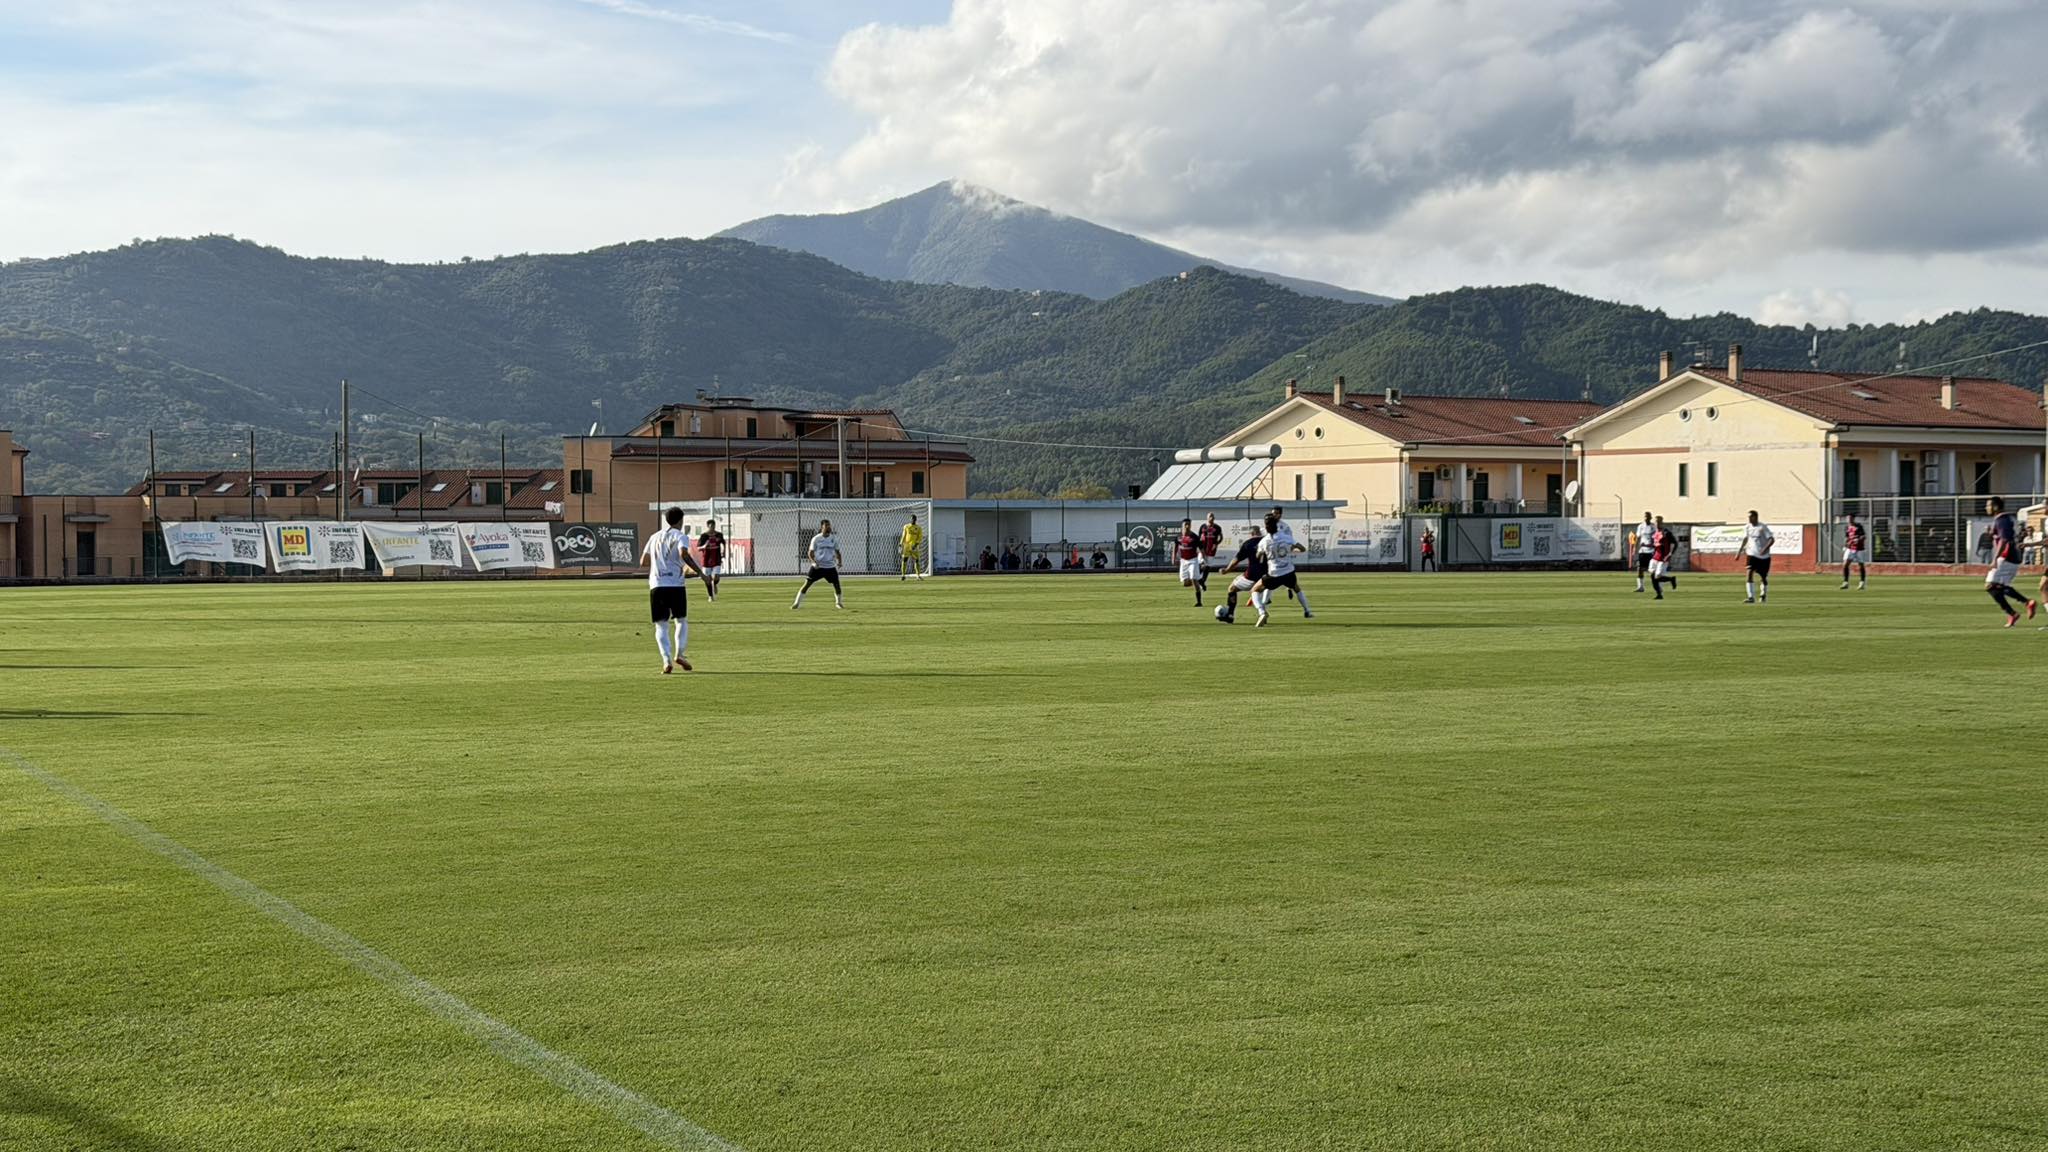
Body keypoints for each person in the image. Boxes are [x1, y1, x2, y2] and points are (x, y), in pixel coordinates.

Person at [642, 506, 707, 674]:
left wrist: (660, 564)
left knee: (661, 626)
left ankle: (666, 660)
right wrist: (700, 572)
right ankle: (680, 654)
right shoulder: (681, 536)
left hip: (657, 584)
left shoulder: (654, 537)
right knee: (681, 621)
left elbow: (644, 561)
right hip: (676, 585)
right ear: (680, 520)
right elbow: (684, 554)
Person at [1250, 512, 1313, 627]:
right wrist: (1291, 550)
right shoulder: (1286, 537)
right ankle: (1307, 611)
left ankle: (1262, 612)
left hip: (1274, 574)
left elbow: (1258, 556)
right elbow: (1302, 548)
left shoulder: (1264, 541)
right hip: (1288, 571)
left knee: (1254, 590)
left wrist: (1263, 554)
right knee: (1297, 588)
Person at [1983, 497, 2036, 626]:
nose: (1986, 508)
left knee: (1990, 586)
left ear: (1995, 507)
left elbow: (2004, 540)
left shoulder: (2002, 520)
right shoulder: (2006, 519)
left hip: (2007, 556)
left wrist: (1995, 558)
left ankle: (2017, 609)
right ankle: (2020, 608)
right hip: (2013, 556)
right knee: (1999, 587)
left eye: (1988, 505)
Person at [1213, 524, 1265, 624]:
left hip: (1252, 576)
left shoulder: (1248, 544)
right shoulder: (1267, 541)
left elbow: (1236, 560)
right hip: (1267, 576)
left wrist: (1226, 570)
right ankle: (1263, 614)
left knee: (1232, 588)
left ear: (1252, 533)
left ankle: (1230, 615)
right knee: (1261, 595)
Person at [792, 519, 844, 610]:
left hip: (830, 567)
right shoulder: (816, 539)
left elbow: (837, 552)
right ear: (822, 527)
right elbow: (810, 552)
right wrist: (813, 562)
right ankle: (796, 603)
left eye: (829, 526)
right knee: (807, 584)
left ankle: (838, 603)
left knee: (837, 585)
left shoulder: (834, 539)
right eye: (826, 526)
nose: (829, 527)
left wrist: (839, 562)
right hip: (818, 567)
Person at [1740, 511, 1775, 604]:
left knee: (1763, 577)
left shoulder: (1762, 527)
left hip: (1764, 557)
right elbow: (1745, 539)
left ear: (1755, 517)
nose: (1749, 519)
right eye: (1748, 517)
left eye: (1751, 517)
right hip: (1751, 554)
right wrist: (1739, 551)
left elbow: (1772, 540)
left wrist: (1764, 549)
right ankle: (1751, 597)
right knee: (1749, 573)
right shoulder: (1747, 527)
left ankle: (1763, 594)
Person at [1174, 518, 1205, 606]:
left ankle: (1199, 602)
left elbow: (1201, 549)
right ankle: (1200, 580)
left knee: (1193, 579)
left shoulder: (1194, 537)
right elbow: (1175, 547)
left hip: (1193, 560)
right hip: (1183, 560)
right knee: (1185, 583)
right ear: (1182, 526)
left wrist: (1203, 560)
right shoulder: (1179, 537)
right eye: (1185, 524)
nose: (1187, 526)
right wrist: (1174, 558)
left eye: (1188, 524)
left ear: (1190, 525)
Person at [1647, 515, 1678, 600]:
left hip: (1663, 558)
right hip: (1655, 557)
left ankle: (1671, 579)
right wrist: (1647, 545)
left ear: (1662, 522)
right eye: (1656, 522)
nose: (1657, 524)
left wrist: (1670, 553)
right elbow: (1656, 545)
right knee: (1652, 576)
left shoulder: (1666, 532)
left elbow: (1675, 543)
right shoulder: (1655, 533)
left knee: (1657, 576)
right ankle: (1659, 594)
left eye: (1659, 522)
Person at [695, 517, 726, 601]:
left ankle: (715, 584)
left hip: (717, 558)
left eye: (713, 526)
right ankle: (710, 596)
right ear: (708, 526)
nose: (712, 528)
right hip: (706, 560)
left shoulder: (719, 535)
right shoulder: (704, 536)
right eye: (710, 526)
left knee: (716, 577)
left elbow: (723, 543)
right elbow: (698, 548)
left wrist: (724, 552)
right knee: (707, 579)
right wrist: (704, 546)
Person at [1841, 511, 1869, 591]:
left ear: (1853, 519)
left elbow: (1863, 536)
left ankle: (1862, 582)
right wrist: (1846, 544)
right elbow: (1847, 537)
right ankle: (1845, 582)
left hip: (1859, 549)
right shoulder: (1847, 527)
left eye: (1850, 518)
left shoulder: (1859, 526)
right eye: (1848, 518)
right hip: (1850, 548)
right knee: (1845, 564)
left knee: (1861, 565)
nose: (1849, 520)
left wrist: (1858, 539)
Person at [1196, 513, 1224, 591]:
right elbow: (1199, 538)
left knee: (1208, 566)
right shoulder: (1203, 527)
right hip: (1203, 549)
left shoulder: (1217, 528)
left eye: (1212, 516)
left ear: (1214, 518)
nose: (1211, 518)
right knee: (1201, 565)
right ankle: (1197, 577)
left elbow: (1221, 537)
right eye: (1210, 516)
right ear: (1207, 518)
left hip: (1211, 550)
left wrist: (1217, 543)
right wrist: (1199, 547)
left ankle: (1202, 582)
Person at [1632, 512, 1655, 592]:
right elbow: (1637, 538)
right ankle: (1640, 587)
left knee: (1652, 570)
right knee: (1640, 568)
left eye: (1648, 516)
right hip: (1642, 550)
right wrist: (1635, 548)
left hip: (1651, 551)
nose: (1646, 518)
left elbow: (1656, 538)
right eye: (1645, 516)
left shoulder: (1653, 526)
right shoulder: (1641, 526)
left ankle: (1657, 586)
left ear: (1650, 517)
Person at [899, 514, 925, 581]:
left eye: (914, 519)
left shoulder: (918, 528)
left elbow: (920, 537)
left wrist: (916, 545)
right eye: (912, 519)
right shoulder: (906, 526)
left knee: (916, 560)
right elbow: (903, 535)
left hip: (914, 546)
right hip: (906, 546)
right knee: (904, 560)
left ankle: (918, 576)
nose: (913, 520)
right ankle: (903, 575)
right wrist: (900, 544)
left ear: (916, 520)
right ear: (910, 519)